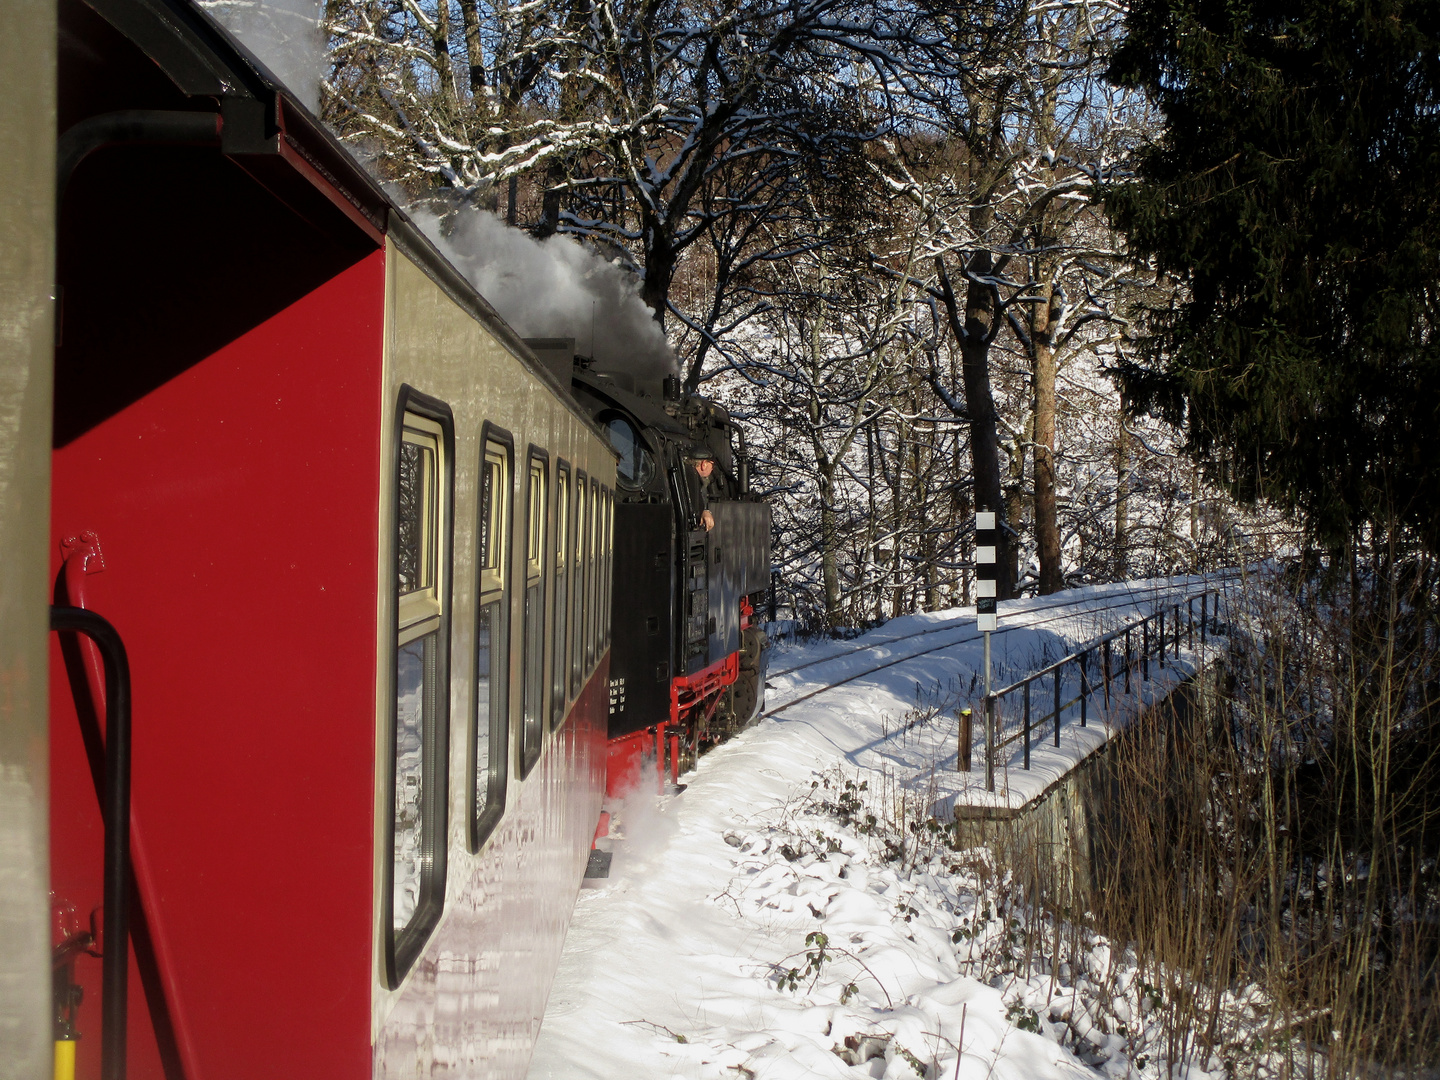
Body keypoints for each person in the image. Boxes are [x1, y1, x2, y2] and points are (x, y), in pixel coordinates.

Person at [685, 445, 716, 531]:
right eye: (712, 464)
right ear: (704, 464)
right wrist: (703, 511)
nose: (712, 468)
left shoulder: (687, 476)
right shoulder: (691, 479)